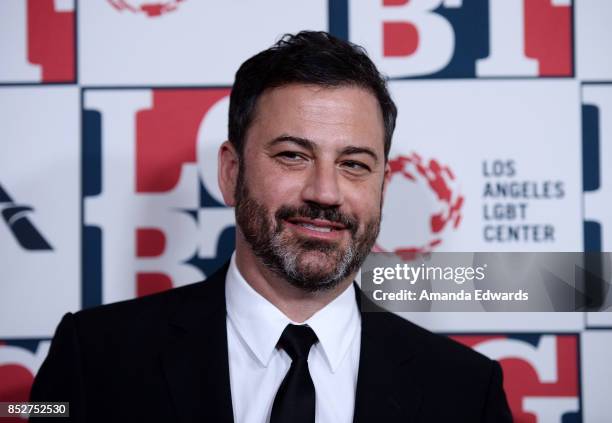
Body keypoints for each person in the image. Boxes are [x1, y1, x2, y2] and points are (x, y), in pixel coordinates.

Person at [30, 31, 512, 422]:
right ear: (231, 172)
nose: (324, 192)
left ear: (382, 188)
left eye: (354, 164)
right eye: (292, 156)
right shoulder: (92, 359)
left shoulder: (468, 390)